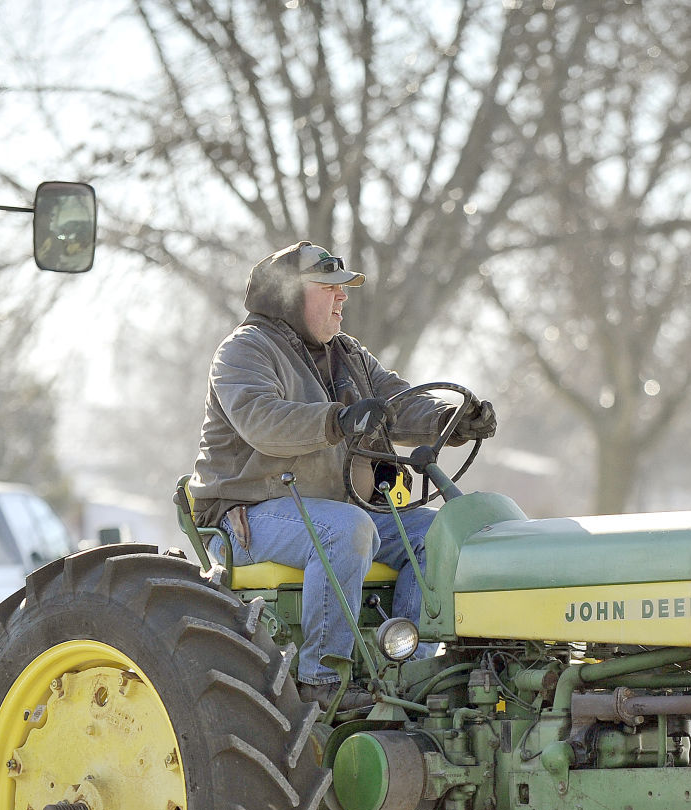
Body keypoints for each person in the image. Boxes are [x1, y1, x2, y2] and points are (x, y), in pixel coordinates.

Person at [188, 241, 498, 707]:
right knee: (347, 530)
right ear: (290, 296)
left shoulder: (347, 355)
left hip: (333, 512)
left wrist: (452, 421)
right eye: (329, 286)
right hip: (250, 519)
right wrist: (337, 420)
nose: (342, 297)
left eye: (343, 288)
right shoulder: (243, 351)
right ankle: (323, 678)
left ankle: (408, 670)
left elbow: (397, 403)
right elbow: (262, 421)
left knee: (436, 532)